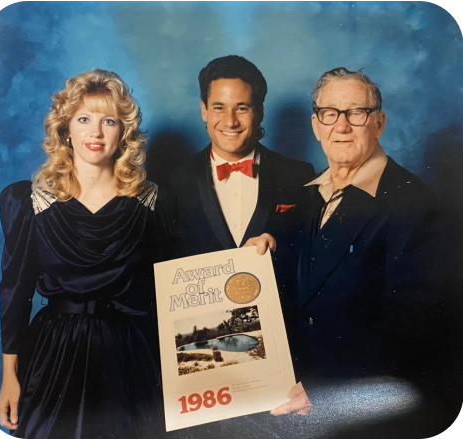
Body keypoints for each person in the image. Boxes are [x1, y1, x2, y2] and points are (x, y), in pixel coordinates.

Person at [0, 69, 171, 439]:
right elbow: (15, 293)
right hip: (52, 355)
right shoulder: (32, 202)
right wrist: (9, 377)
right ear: (65, 129)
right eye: (84, 119)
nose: (95, 132)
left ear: (124, 132)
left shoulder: (150, 201)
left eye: (109, 121)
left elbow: (175, 292)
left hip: (129, 356)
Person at [272, 67, 447, 419]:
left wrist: (323, 385)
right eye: (329, 113)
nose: (341, 126)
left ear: (378, 123)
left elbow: (411, 329)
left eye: (356, 113)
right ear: (315, 125)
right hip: (297, 393)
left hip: (358, 407)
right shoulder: (306, 197)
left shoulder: (414, 205)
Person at [168, 55, 314, 307]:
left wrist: (278, 245)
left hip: (280, 327)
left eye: (242, 107)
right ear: (203, 110)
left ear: (260, 111)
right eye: (219, 107)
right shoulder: (175, 180)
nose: (230, 121)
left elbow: (311, 258)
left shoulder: (298, 175)